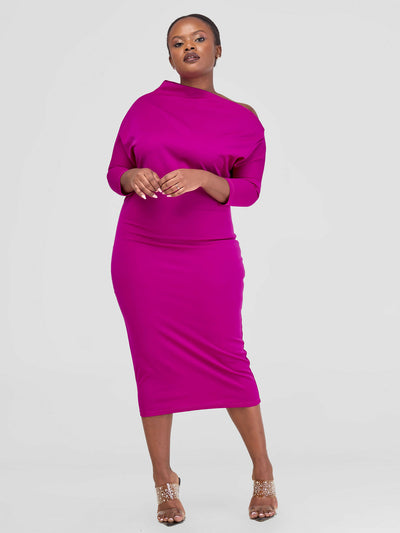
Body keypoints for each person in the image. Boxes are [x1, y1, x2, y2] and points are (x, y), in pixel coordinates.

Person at [106, 13, 278, 525]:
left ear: (218, 50)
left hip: (209, 253)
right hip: (141, 251)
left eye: (199, 39)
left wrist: (203, 177)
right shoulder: (144, 108)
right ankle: (164, 481)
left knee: (229, 358)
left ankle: (263, 471)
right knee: (153, 363)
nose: (189, 47)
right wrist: (132, 176)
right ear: (169, 56)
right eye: (177, 42)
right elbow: (115, 170)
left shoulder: (242, 118)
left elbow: (248, 190)